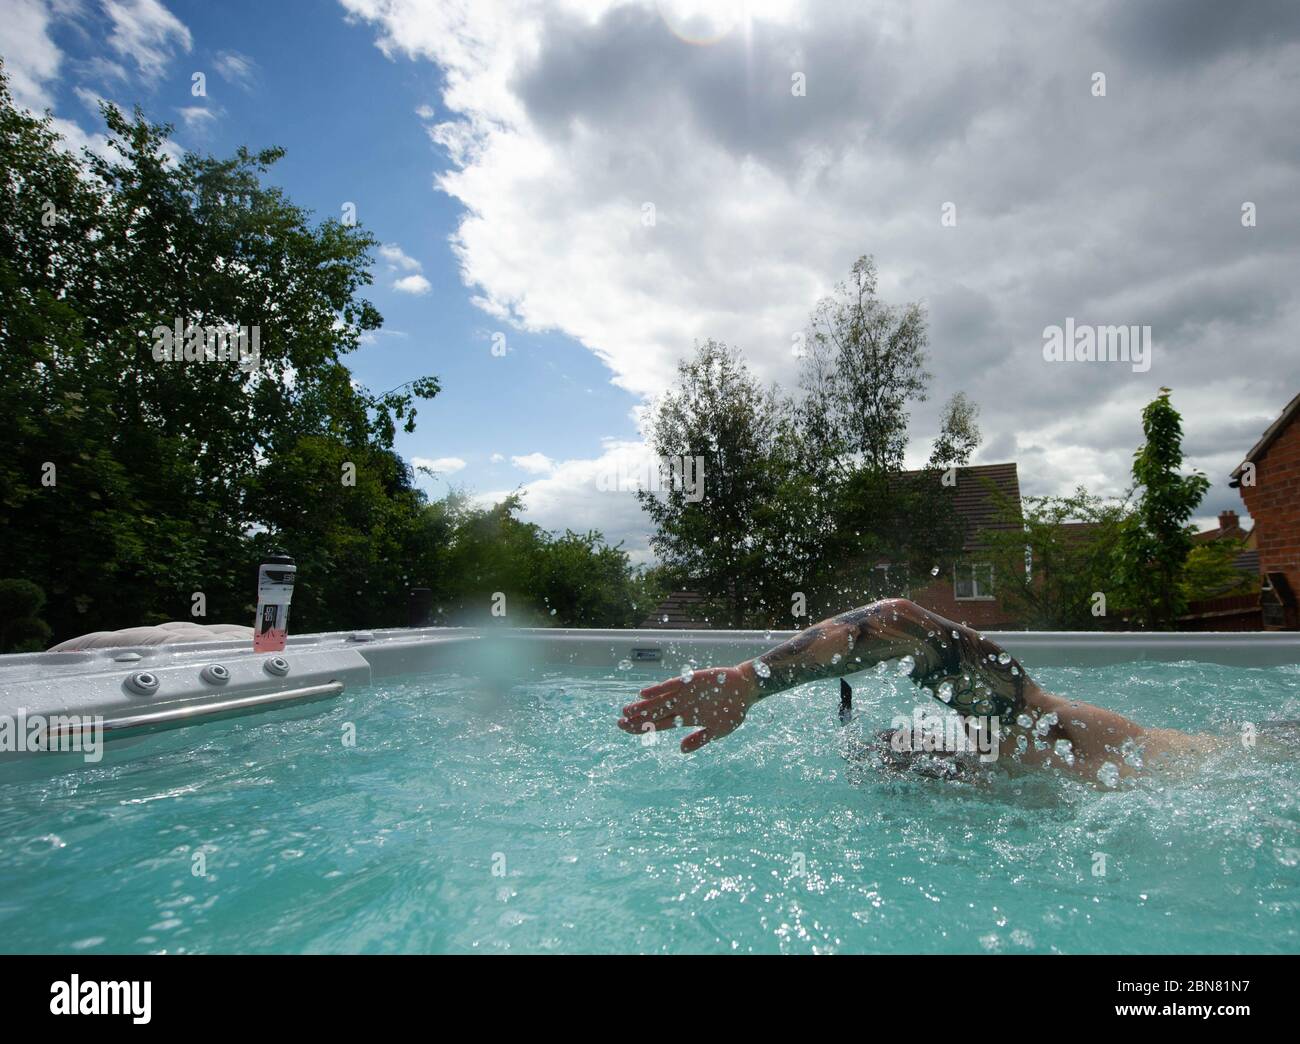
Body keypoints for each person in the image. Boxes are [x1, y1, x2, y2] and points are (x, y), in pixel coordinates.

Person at [617, 598, 1222, 785]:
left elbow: (899, 622)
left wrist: (752, 679)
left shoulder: (1042, 734)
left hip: (1203, 768)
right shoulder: (1007, 771)